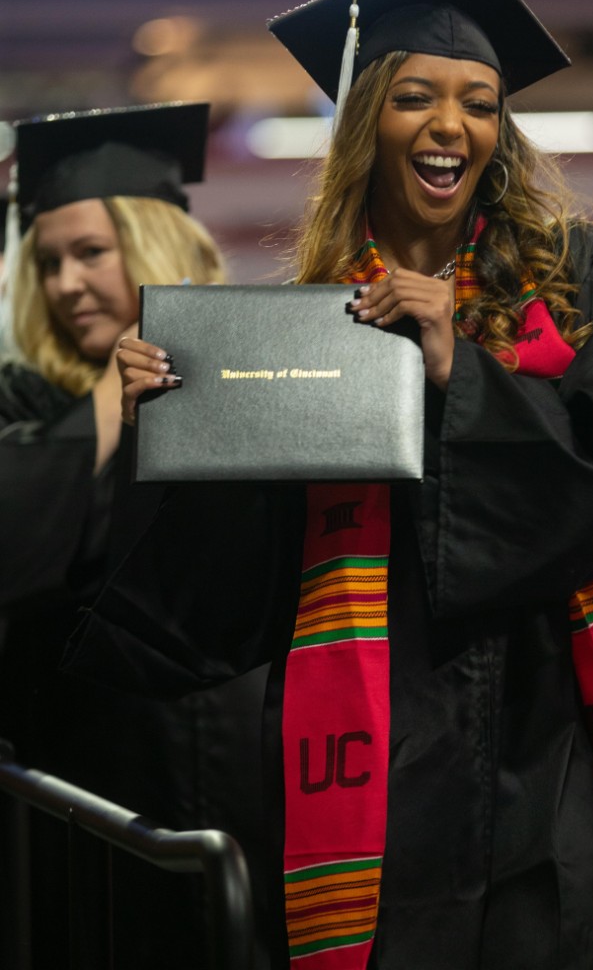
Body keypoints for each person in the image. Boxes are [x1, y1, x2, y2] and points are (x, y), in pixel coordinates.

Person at [67, 0, 593, 969]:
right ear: (368, 119)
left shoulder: (587, 284)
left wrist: (461, 369)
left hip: (549, 743)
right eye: (414, 95)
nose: (449, 124)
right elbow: (233, 589)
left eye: (479, 100)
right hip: (375, 748)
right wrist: (176, 433)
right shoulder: (306, 325)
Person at [0, 103, 270, 970]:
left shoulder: (247, 383)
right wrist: (111, 404)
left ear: (154, 243)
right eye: (47, 263)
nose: (66, 283)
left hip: (244, 771)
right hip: (88, 781)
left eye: (90, 252)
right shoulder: (27, 403)